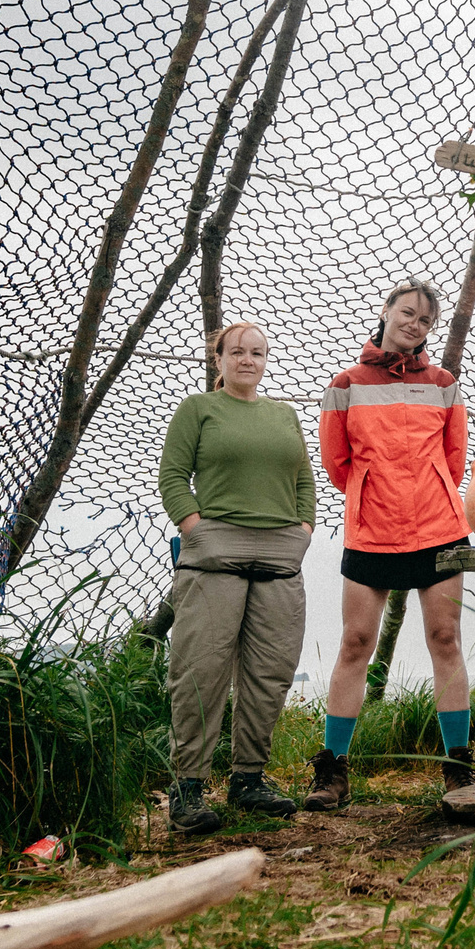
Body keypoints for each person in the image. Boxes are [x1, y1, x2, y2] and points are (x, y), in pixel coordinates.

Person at [308, 279, 473, 811]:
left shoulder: (445, 383)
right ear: (385, 313)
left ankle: (458, 767)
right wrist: (373, 490)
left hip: (438, 527)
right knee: (356, 641)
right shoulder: (346, 383)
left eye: (424, 320)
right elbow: (337, 463)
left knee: (444, 637)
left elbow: (454, 457)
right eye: (406, 313)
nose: (414, 325)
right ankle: (332, 772)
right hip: (372, 529)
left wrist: (425, 492)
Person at [156, 322, 316, 836]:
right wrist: (195, 529)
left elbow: (304, 480)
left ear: (266, 359)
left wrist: (304, 529)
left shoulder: (284, 415)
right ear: (218, 359)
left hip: (280, 554)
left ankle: (249, 780)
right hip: (213, 551)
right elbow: (172, 477)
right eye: (237, 352)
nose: (247, 359)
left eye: (257, 352)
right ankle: (189, 789)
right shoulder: (198, 410)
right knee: (200, 669)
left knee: (270, 671)